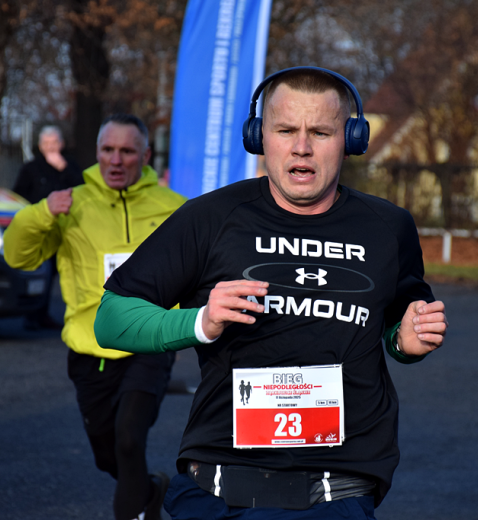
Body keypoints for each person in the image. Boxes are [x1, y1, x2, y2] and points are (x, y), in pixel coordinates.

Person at [94, 67, 448, 519]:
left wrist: (407, 342)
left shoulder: (388, 227)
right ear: (259, 136)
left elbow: (401, 327)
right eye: (285, 130)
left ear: (351, 138)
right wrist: (200, 322)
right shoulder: (211, 217)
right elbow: (111, 318)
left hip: (335, 488)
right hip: (220, 483)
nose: (302, 146)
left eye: (320, 131)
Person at [3, 113, 187, 520]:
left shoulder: (173, 207)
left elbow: (202, 267)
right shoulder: (70, 204)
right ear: (97, 153)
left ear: (146, 155)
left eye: (126, 151)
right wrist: (41, 212)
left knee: (128, 440)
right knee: (109, 457)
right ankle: (152, 490)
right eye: (108, 150)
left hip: (150, 341)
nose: (116, 160)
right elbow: (17, 255)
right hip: (91, 348)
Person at [12, 125, 83, 330]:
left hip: (67, 228)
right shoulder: (30, 168)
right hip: (41, 228)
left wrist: (63, 168)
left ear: (61, 144)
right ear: (41, 146)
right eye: (47, 143)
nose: (51, 147)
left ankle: (56, 313)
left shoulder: (70, 165)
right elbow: (18, 195)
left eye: (54, 143)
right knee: (40, 271)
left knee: (62, 271)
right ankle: (32, 315)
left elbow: (82, 189)